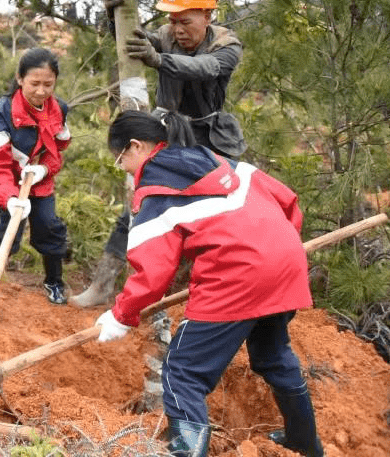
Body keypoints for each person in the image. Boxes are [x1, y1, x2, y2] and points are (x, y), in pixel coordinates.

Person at [94, 110, 321, 457]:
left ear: (136, 147)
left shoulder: (157, 187)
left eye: (119, 159)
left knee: (182, 373)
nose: (123, 167)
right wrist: (276, 253)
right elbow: (288, 200)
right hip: (286, 261)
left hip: (238, 274)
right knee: (274, 354)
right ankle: (305, 444)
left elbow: (152, 272)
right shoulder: (221, 160)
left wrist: (121, 315)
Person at [72, 0, 247, 308]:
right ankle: (104, 286)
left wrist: (159, 60)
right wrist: (114, 16)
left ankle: (209, 294)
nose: (178, 29)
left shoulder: (226, 44)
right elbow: (133, 42)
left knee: (218, 217)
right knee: (138, 205)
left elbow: (206, 68)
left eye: (186, 21)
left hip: (209, 140)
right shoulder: (166, 36)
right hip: (165, 134)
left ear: (208, 15)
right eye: (173, 21)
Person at [0, 47, 72, 312]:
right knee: (6, 232)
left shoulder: (59, 109)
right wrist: (10, 198)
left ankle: (54, 282)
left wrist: (43, 170)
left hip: (37, 179)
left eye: (48, 84)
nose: (41, 91)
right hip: (6, 182)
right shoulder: (1, 113)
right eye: (34, 83)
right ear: (20, 79)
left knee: (48, 226)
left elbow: (58, 150)